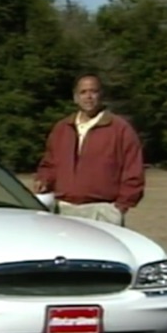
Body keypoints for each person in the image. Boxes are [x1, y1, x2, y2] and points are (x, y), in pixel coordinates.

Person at [33, 73, 145, 226]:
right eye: (83, 92)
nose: (88, 96)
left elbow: (133, 172)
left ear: (101, 95)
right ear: (75, 97)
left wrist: (120, 207)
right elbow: (49, 164)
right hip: (63, 209)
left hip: (102, 211)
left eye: (93, 91)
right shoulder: (62, 128)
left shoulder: (120, 129)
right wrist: (44, 180)